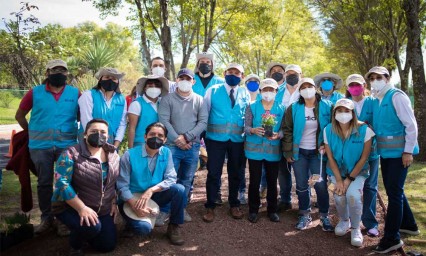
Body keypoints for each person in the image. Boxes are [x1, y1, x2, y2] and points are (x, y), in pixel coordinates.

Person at [15, 59, 80, 234]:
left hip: (66, 146)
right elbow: (20, 115)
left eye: (63, 71)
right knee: (44, 183)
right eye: (54, 70)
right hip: (40, 146)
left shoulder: (76, 94)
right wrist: (31, 130)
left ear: (67, 74)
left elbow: (84, 117)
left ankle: (63, 220)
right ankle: (46, 218)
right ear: (47, 73)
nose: (59, 73)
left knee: (64, 182)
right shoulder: (34, 93)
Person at [365, 66, 420, 254]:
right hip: (387, 154)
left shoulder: (397, 96)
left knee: (394, 194)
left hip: (400, 155)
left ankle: (392, 238)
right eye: (372, 78)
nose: (375, 80)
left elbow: (411, 126)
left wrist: (408, 152)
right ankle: (409, 225)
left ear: (387, 78)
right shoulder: (378, 100)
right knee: (394, 190)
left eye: (379, 77)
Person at [51, 119, 120, 255]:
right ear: (85, 134)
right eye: (94, 131)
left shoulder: (113, 154)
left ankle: (87, 232)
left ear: (108, 136)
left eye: (103, 132)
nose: (99, 135)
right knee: (92, 228)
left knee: (107, 245)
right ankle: (75, 245)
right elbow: (61, 183)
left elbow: (114, 182)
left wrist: (113, 201)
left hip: (102, 209)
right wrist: (81, 208)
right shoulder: (71, 153)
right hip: (70, 207)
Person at [117, 122, 186, 246]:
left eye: (160, 136)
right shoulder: (129, 155)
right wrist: (134, 205)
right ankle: (130, 223)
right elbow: (122, 185)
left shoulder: (166, 152)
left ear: (165, 140)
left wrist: (151, 191)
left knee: (179, 189)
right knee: (143, 229)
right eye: (152, 134)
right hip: (131, 198)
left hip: (153, 196)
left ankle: (174, 227)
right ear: (145, 137)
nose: (156, 138)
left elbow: (171, 178)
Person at [282, 77, 334, 231]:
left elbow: (332, 129)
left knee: (320, 184)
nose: (306, 89)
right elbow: (287, 130)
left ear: (315, 88)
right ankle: (304, 214)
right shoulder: (294, 108)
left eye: (309, 86)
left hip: (318, 154)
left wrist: (326, 144)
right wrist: (288, 151)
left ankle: (324, 216)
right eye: (303, 87)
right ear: (300, 90)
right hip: (300, 153)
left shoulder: (327, 106)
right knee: (302, 184)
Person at [202, 63, 250, 222]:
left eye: (237, 73)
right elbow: (204, 114)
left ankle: (234, 204)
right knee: (214, 173)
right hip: (215, 140)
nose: (233, 75)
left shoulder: (245, 93)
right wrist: (203, 137)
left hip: (237, 140)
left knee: (236, 173)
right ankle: (210, 206)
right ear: (224, 73)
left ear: (242, 77)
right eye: (230, 72)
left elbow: (247, 116)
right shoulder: (212, 90)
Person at [158, 68, 208, 222]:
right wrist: (177, 139)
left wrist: (186, 137)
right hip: (172, 146)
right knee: (168, 179)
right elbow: (164, 120)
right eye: (182, 78)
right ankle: (164, 210)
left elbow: (203, 122)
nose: (185, 81)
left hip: (192, 147)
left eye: (188, 79)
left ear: (193, 81)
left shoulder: (200, 100)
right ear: (177, 80)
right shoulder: (167, 99)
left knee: (186, 179)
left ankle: (181, 209)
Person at [324, 99, 374, 247]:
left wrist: (348, 180)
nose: (343, 114)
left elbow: (364, 158)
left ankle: (356, 228)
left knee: (353, 195)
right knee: (339, 196)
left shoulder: (365, 130)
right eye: (339, 111)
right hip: (337, 171)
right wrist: (339, 180)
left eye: (347, 111)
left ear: (353, 113)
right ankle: (344, 220)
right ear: (334, 113)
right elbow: (330, 157)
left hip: (357, 172)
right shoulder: (328, 130)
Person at [244, 78, 285, 223]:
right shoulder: (251, 106)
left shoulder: (281, 108)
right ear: (260, 91)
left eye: (271, 90)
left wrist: (278, 135)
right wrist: (253, 130)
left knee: (272, 181)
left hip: (273, 151)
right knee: (254, 181)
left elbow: (284, 130)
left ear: (276, 91)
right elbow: (246, 127)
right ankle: (253, 209)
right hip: (254, 150)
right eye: (265, 89)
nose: (268, 92)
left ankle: (272, 210)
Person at [344, 74, 380, 237]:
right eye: (351, 85)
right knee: (350, 186)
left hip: (371, 152)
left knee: (370, 187)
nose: (355, 88)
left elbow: (379, 123)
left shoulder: (373, 102)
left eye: (358, 85)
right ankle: (350, 219)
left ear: (364, 85)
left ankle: (371, 222)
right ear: (347, 88)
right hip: (350, 154)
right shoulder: (345, 105)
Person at [276, 64, 303, 212]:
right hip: (281, 136)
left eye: (295, 73)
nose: (291, 76)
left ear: (301, 74)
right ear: (284, 75)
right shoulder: (278, 91)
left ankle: (303, 201)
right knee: (283, 170)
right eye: (289, 73)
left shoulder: (306, 91)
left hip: (302, 137)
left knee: (301, 171)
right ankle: (285, 199)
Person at [78, 67, 127, 149]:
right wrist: (95, 142)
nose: (110, 80)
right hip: (88, 141)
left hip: (112, 142)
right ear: (100, 79)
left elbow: (122, 124)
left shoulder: (122, 100)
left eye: (114, 78)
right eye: (107, 77)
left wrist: (115, 145)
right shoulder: (88, 95)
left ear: (118, 82)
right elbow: (86, 121)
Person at [127, 75, 169, 148]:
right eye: (150, 85)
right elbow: (131, 128)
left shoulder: (162, 103)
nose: (154, 88)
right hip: (140, 144)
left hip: (159, 144)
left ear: (161, 89)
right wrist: (130, 149)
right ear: (145, 87)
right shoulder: (137, 104)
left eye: (157, 86)